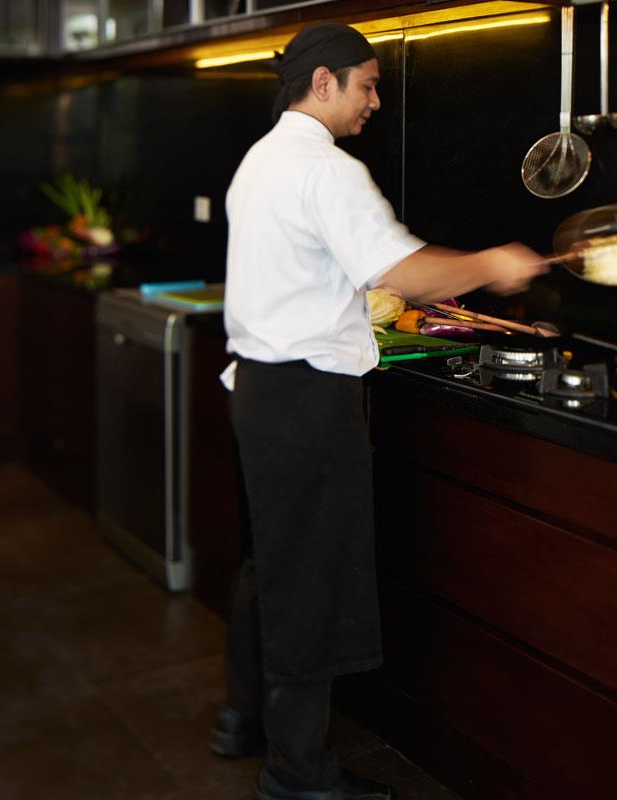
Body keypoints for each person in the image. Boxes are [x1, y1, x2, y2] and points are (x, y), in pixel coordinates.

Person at [211, 22, 546, 800]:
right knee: (311, 580)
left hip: (258, 391)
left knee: (269, 565)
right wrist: (493, 263)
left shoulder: (260, 160)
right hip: (305, 400)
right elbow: (403, 272)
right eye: (367, 85)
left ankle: (241, 717)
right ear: (322, 82)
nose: (375, 101)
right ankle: (298, 775)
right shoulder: (327, 170)